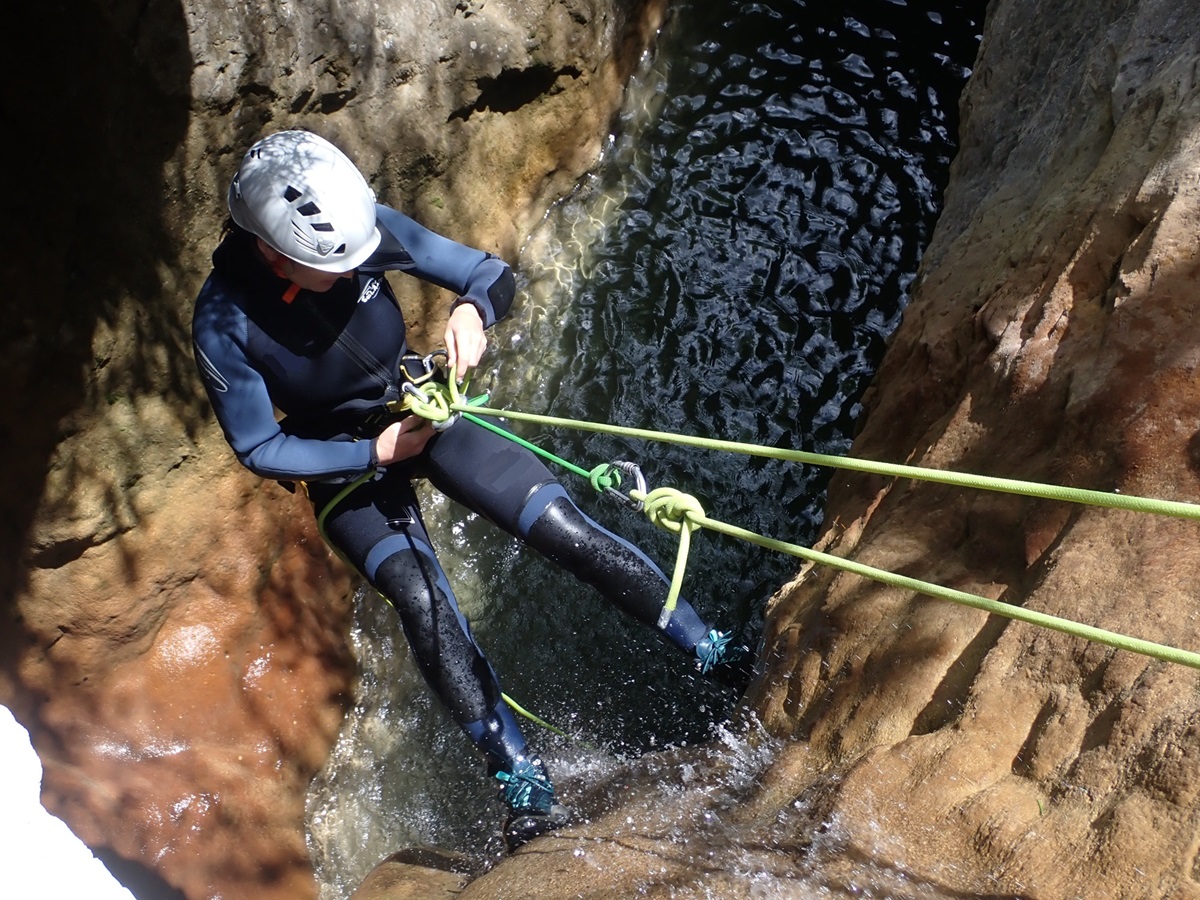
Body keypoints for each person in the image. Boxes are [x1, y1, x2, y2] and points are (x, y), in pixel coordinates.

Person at [191, 130, 742, 850]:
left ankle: (709, 649)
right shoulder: (222, 323)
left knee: (560, 528)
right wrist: (372, 450)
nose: (363, 266)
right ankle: (520, 777)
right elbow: (259, 446)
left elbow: (488, 273)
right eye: (341, 265)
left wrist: (470, 311)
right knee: (423, 603)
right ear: (275, 251)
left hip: (424, 403)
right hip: (340, 460)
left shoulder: (364, 228)